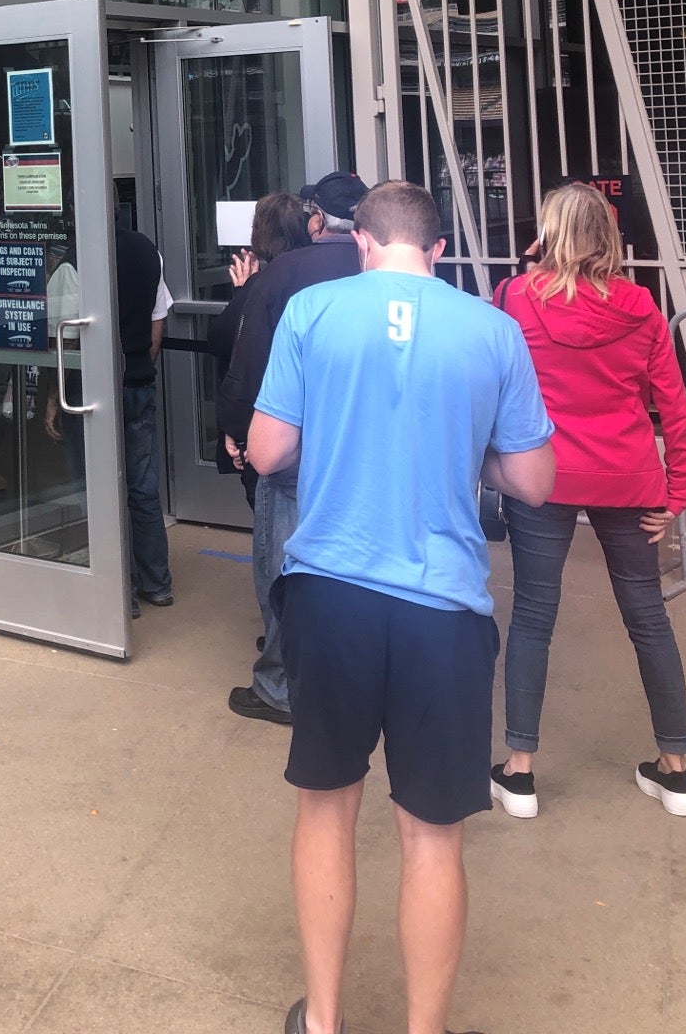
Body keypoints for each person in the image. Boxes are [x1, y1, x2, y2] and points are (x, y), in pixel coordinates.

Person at [249, 181, 555, 1034]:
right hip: (443, 613)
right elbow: (534, 480)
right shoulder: (493, 329)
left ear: (361, 243)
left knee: (326, 807)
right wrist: (476, 457)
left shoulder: (313, 311)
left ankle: (325, 1021)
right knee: (431, 836)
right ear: (440, 253)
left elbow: (271, 448)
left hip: (331, 595)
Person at [489, 182, 686, 820]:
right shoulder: (641, 308)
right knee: (649, 618)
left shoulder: (513, 299)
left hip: (543, 475)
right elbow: (673, 406)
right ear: (612, 238)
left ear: (546, 234)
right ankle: (676, 772)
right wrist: (681, 488)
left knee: (532, 615)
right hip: (629, 478)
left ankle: (520, 774)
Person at [227, 172, 367, 723]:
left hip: (292, 446)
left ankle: (280, 686)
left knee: (282, 564)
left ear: (316, 219)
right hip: (361, 445)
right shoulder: (385, 273)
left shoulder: (284, 273)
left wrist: (238, 432)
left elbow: (252, 364)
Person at [45, 218, 174, 618]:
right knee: (142, 488)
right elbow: (158, 320)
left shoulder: (73, 261)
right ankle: (156, 584)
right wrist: (137, 366)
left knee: (97, 489)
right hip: (137, 384)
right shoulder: (145, 249)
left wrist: (53, 395)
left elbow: (63, 337)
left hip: (91, 391)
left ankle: (120, 592)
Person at [208, 191, 313, 508]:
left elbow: (226, 343)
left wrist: (243, 292)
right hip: (317, 426)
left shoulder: (264, 285)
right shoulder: (320, 277)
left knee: (274, 532)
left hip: (271, 430)